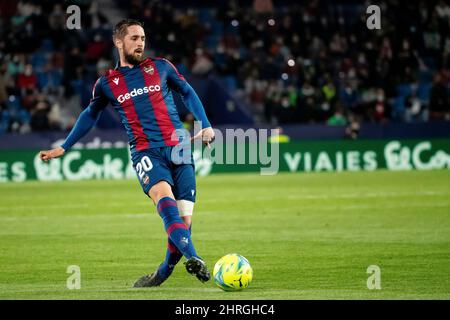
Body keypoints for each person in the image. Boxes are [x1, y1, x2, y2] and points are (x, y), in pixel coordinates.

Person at [39, 19, 215, 287]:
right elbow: (89, 115)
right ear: (118, 42)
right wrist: (65, 146)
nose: (140, 42)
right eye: (134, 38)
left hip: (180, 149)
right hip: (146, 152)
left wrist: (206, 125)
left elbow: (188, 92)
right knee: (166, 205)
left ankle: (163, 272)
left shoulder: (161, 67)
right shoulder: (107, 83)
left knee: (184, 226)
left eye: (143, 37)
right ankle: (196, 258)